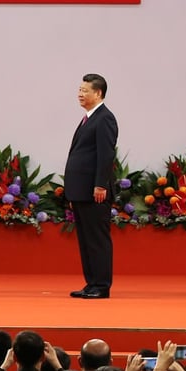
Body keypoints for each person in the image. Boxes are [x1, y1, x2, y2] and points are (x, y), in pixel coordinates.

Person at [65, 74, 118, 300]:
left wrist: (100, 185)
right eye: (79, 89)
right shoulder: (88, 118)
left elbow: (106, 155)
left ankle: (102, 285)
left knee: (97, 239)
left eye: (85, 90)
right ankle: (91, 283)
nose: (80, 93)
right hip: (81, 190)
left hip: (95, 191)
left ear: (98, 93)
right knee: (86, 240)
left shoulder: (104, 118)